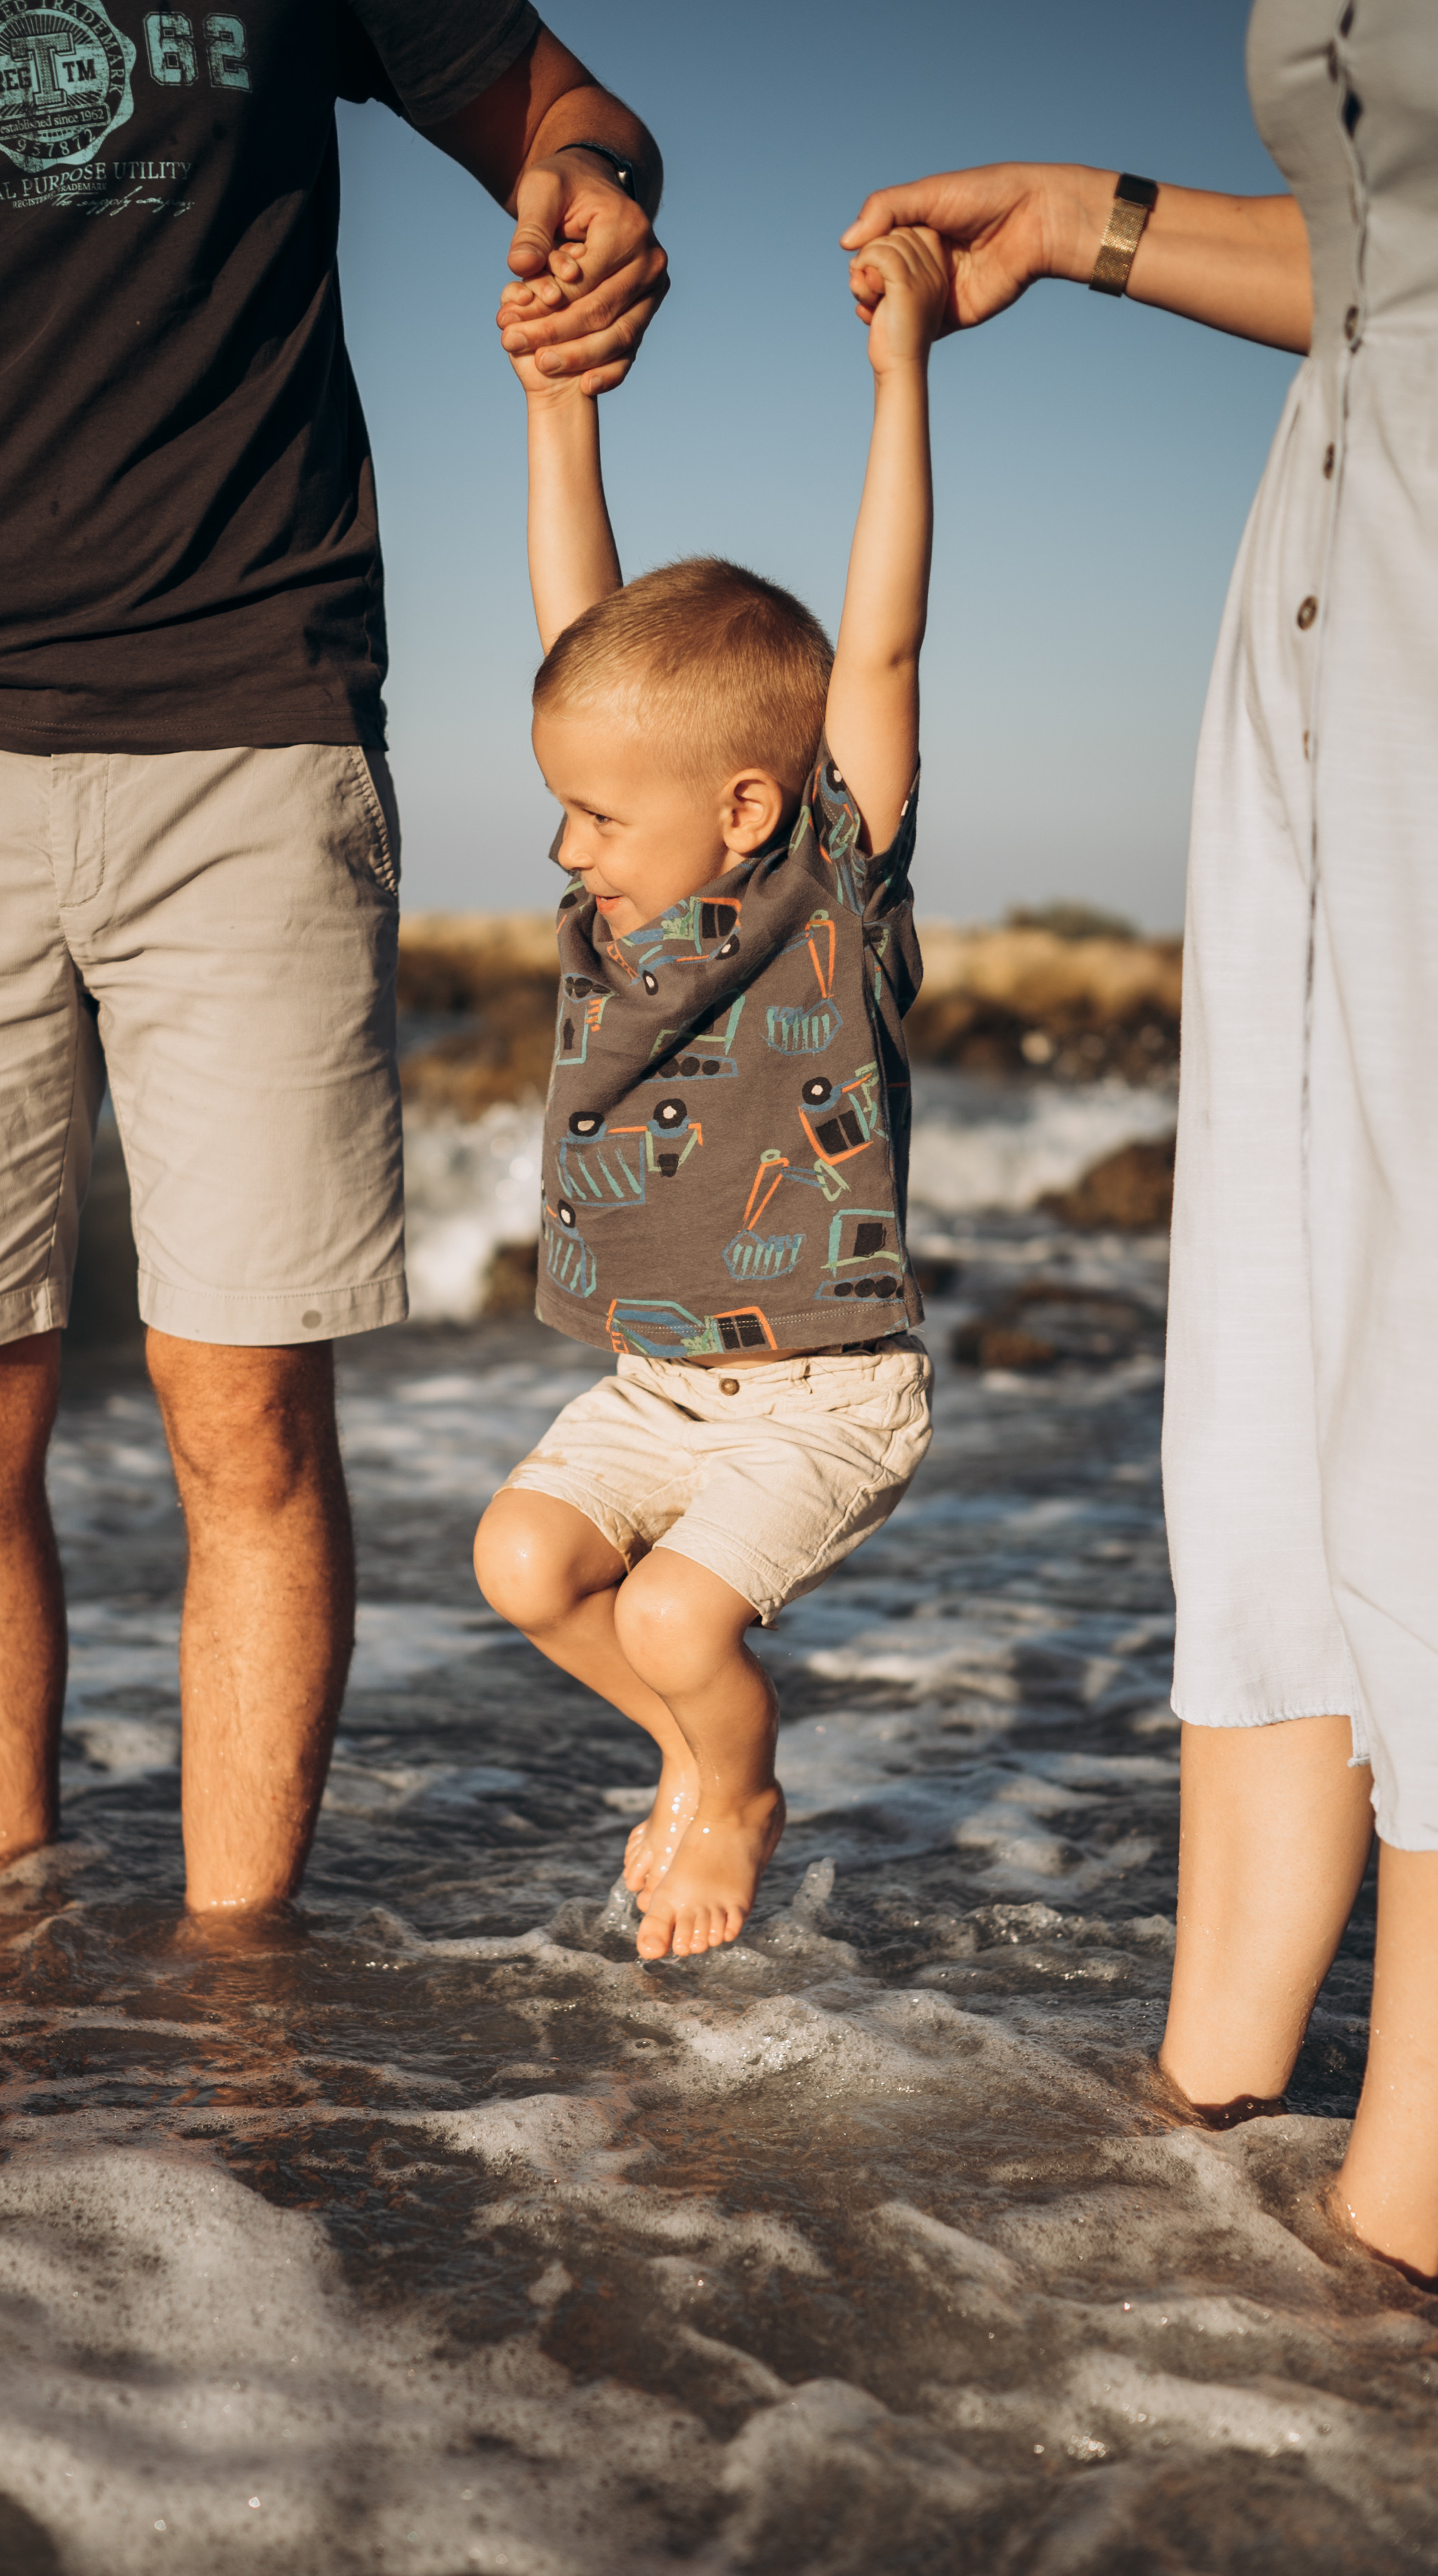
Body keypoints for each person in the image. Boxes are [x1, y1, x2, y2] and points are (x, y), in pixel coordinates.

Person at [0, 5, 667, 1916]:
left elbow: (564, 110)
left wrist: (598, 182)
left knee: (243, 1408)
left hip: (254, 725)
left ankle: (243, 2015)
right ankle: (9, 1969)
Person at [843, 0, 1438, 2282]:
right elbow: (1397, 247)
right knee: (1274, 1387)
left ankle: (1400, 2222)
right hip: (1327, 579)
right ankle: (1205, 2105)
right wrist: (1090, 226)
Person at [473, 225, 949, 1961]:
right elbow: (584, 632)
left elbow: (879, 661)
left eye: (600, 819)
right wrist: (557, 410)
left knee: (679, 1620)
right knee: (524, 1564)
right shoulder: (619, 920)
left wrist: (902, 379)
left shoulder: (832, 893)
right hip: (658, 1385)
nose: (563, 846)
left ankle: (732, 1783)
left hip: (823, 1396)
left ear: (749, 809)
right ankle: (690, 1748)